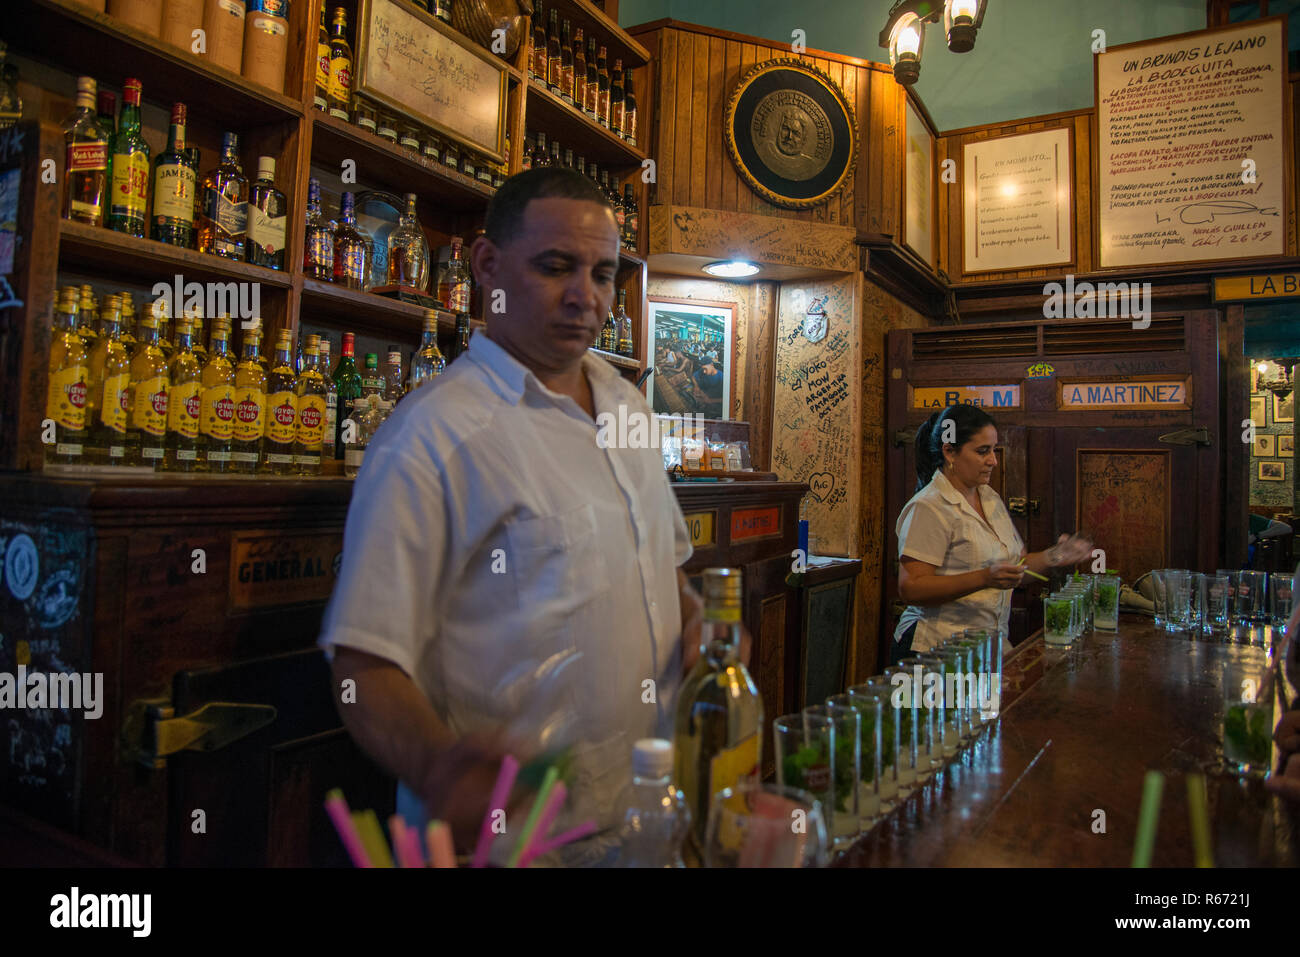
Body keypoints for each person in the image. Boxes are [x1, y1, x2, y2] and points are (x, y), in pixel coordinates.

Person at [318, 167, 720, 866]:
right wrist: (441, 767)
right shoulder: (432, 437)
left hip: (649, 814)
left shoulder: (628, 409)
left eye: (604, 273)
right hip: (515, 843)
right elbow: (362, 664)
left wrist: (697, 632)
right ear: (486, 265)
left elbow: (664, 573)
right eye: (556, 266)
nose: (585, 297)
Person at [891, 405, 1093, 664]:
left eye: (994, 449)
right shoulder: (929, 506)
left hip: (984, 648)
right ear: (950, 452)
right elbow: (911, 588)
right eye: (982, 451)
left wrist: (1055, 555)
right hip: (934, 650)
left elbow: (1014, 567)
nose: (993, 460)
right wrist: (984, 577)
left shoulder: (989, 497)